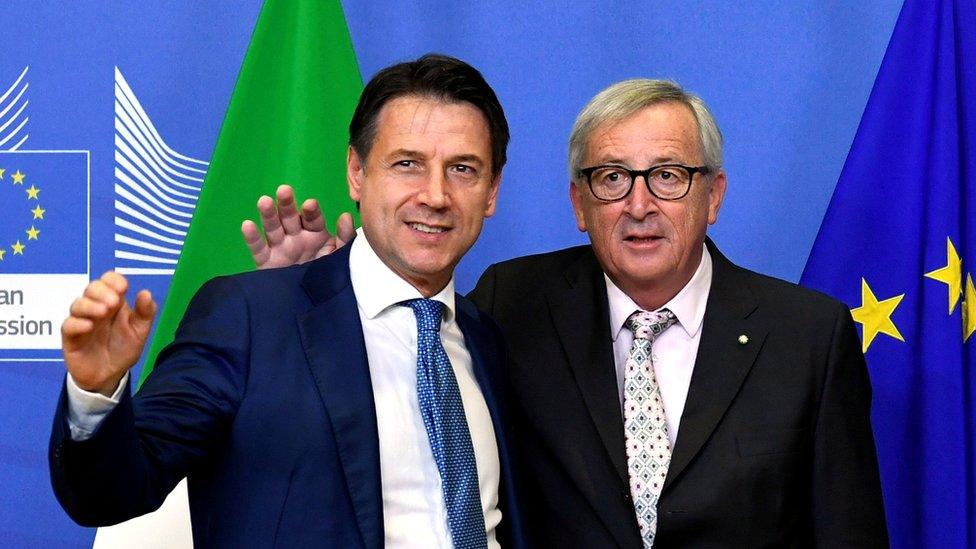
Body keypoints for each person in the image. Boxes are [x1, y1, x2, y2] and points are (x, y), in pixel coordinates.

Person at [249, 79, 888, 547]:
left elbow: (847, 533)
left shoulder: (808, 335)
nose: (639, 204)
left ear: (713, 194)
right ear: (579, 204)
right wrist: (325, 298)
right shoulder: (510, 304)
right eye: (611, 178)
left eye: (667, 175)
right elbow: (398, 415)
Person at [50, 54, 526, 549]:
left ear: (491, 192)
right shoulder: (249, 317)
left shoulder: (487, 337)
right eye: (407, 164)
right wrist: (97, 393)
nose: (435, 195)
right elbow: (112, 493)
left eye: (463, 169)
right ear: (356, 172)